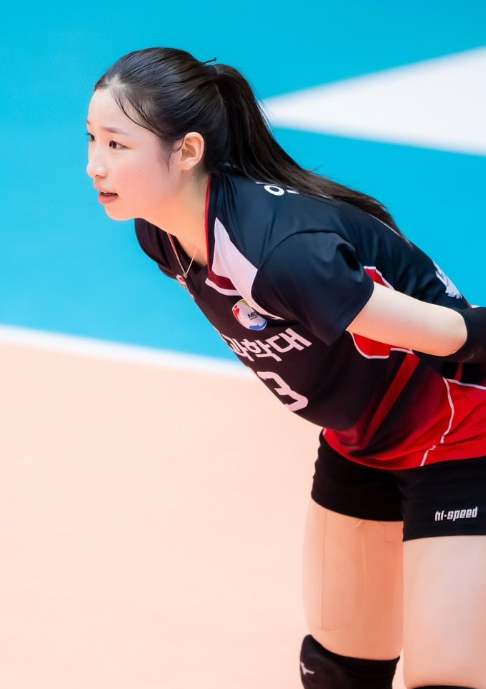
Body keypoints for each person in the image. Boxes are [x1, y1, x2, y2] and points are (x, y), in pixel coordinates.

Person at [86, 47, 486, 689]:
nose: (95, 165)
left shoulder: (283, 255)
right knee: (337, 671)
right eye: (91, 139)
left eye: (117, 144)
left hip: (461, 435)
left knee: (446, 679)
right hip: (361, 439)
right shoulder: (163, 234)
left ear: (187, 151)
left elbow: (457, 335)